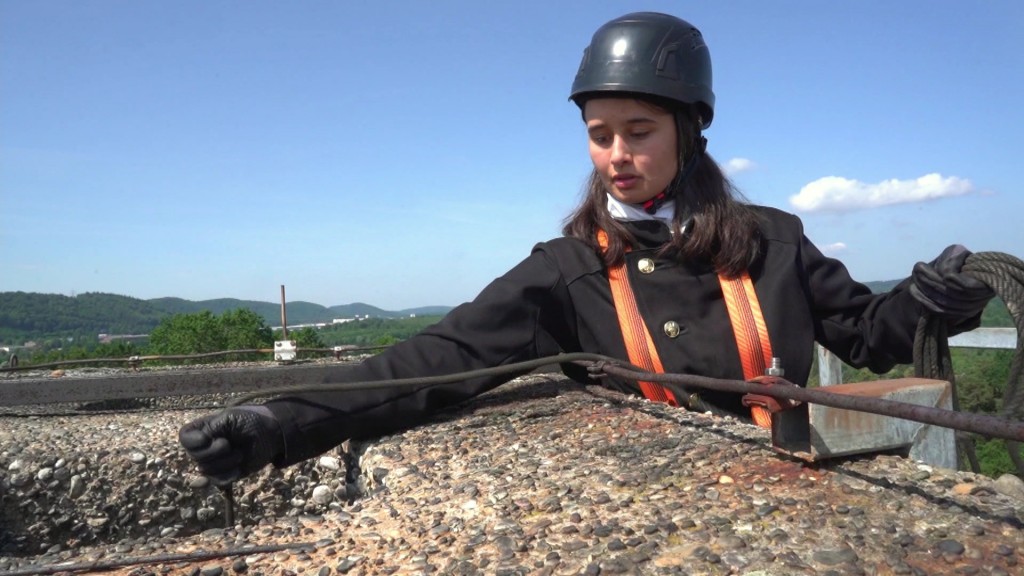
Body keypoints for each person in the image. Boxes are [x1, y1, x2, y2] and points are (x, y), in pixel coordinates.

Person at [179, 12, 995, 484]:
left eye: (639, 132)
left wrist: (926, 304)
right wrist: (276, 422)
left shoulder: (771, 240)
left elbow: (866, 336)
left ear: (691, 130)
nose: (615, 155)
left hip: (805, 486)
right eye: (599, 134)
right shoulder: (569, 270)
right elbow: (435, 361)